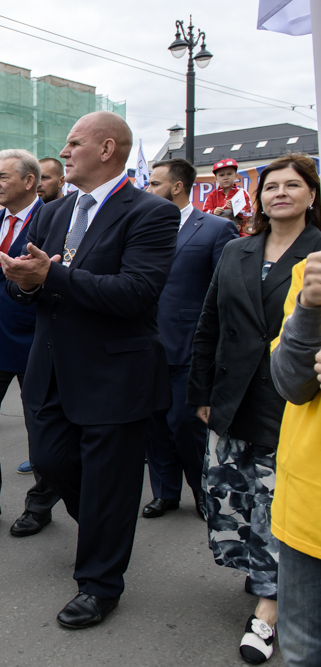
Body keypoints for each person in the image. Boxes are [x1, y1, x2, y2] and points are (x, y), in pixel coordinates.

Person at [0, 111, 178, 629]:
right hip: (52, 369)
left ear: (106, 149)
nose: (65, 151)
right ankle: (105, 526)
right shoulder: (55, 213)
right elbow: (26, 284)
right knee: (53, 465)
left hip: (113, 375)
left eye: (74, 143)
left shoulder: (150, 213)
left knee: (109, 483)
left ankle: (99, 584)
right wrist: (26, 281)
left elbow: (136, 294)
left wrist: (52, 275)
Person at [188, 153, 321, 663]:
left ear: (312, 194)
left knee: (279, 506)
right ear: (259, 197)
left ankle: (271, 610)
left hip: (292, 401)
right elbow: (210, 325)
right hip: (231, 397)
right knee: (233, 500)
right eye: (270, 186)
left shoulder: (318, 253)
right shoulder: (237, 250)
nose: (279, 193)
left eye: (292, 185)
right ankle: (268, 578)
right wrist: (201, 394)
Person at [0, 148, 63, 538]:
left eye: (3, 177)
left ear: (29, 181)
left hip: (36, 341)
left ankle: (40, 505)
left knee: (42, 429)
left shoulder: (54, 218)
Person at [141, 159, 237, 520]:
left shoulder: (216, 229)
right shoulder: (142, 227)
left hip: (189, 348)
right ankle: (165, 492)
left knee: (185, 425)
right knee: (154, 425)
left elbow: (224, 294)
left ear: (176, 187)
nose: (147, 189)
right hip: (147, 346)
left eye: (153, 183)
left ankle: (202, 491)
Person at [270, 249, 321, 667]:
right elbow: (290, 383)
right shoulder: (310, 272)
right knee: (303, 650)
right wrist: (308, 306)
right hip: (309, 502)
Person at [202, 158, 253, 234]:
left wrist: (236, 208)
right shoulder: (212, 196)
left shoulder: (242, 193)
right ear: (216, 178)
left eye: (229, 174)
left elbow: (249, 215)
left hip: (240, 233)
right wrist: (213, 212)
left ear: (236, 176)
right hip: (218, 233)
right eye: (221, 175)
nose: (226, 178)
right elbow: (204, 216)